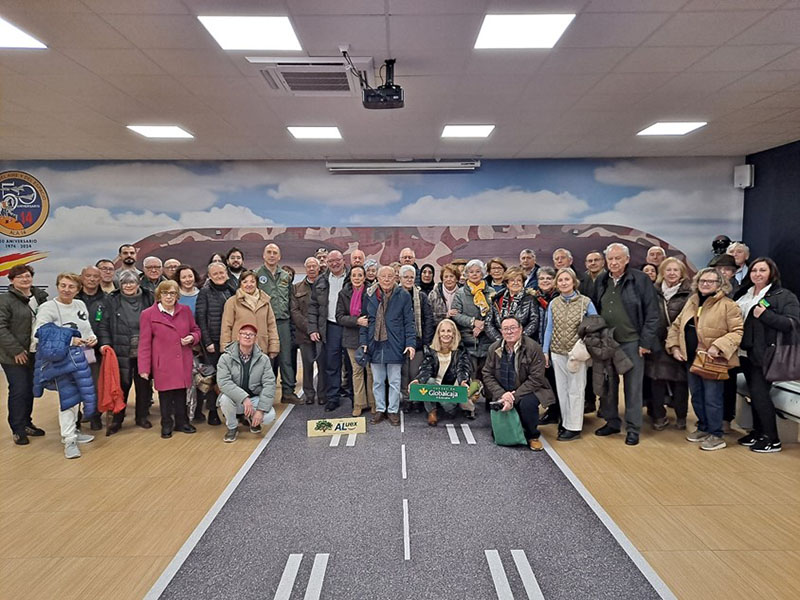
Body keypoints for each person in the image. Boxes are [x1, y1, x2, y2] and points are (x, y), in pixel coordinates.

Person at [667, 268, 743, 451]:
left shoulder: (728, 305)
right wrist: (674, 346)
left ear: (720, 284)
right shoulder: (691, 302)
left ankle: (716, 435)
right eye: (702, 281)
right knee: (697, 396)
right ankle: (703, 427)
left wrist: (718, 346)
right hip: (691, 358)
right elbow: (676, 326)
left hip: (713, 360)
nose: (705, 284)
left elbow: (737, 331)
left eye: (710, 281)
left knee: (712, 398)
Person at [591, 243, 659, 446]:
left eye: (618, 258)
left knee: (633, 387)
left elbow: (652, 314)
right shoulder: (602, 280)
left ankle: (633, 428)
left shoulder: (640, 279)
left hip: (632, 342)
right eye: (610, 259)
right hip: (607, 342)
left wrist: (645, 342)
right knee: (608, 385)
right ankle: (612, 422)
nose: (613, 262)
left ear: (627, 259)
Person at [735, 257, 800, 453]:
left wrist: (765, 315)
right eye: (754, 270)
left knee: (760, 394)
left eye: (762, 270)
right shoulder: (744, 293)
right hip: (744, 352)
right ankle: (759, 432)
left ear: (772, 273)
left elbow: (792, 323)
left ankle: (772, 439)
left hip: (766, 354)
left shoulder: (784, 295)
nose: (757, 274)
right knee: (753, 394)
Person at [33, 272, 98, 458]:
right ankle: (69, 440)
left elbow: (86, 327)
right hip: (62, 360)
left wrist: (92, 338)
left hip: (82, 357)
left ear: (78, 289)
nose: (66, 290)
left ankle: (74, 431)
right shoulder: (47, 308)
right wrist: (70, 341)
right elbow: (39, 334)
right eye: (63, 285)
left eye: (71, 287)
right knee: (68, 398)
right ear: (57, 286)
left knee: (77, 396)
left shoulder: (80, 304)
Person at [138, 280, 201, 439]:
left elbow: (196, 330)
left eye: (172, 293)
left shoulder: (185, 310)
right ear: (159, 295)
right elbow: (144, 343)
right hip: (163, 362)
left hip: (182, 360)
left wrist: (192, 337)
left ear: (177, 295)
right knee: (165, 395)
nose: (169, 296)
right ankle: (166, 424)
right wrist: (144, 368)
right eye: (165, 293)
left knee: (181, 393)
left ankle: (182, 422)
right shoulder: (148, 314)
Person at [483, 316, 555, 451]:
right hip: (503, 391)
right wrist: (502, 394)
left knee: (527, 404)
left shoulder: (533, 348)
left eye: (513, 328)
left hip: (529, 389)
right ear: (501, 332)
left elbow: (536, 378)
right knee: (498, 435)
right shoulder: (494, 348)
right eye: (505, 329)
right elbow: (487, 374)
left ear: (521, 329)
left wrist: (514, 396)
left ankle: (533, 436)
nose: (509, 332)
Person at [543, 268, 597, 441]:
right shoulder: (554, 303)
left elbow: (596, 325)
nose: (564, 283)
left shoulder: (585, 302)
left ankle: (574, 427)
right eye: (560, 280)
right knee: (562, 389)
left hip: (577, 353)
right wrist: (545, 351)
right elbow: (549, 328)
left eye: (567, 279)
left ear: (574, 282)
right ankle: (565, 422)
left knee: (576, 389)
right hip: (557, 351)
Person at [98, 271, 155, 433]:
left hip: (144, 350)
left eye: (132, 282)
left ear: (138, 283)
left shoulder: (149, 297)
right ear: (120, 285)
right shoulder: (111, 300)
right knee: (122, 385)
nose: (128, 286)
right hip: (120, 350)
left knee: (143, 386)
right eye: (124, 283)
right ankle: (117, 419)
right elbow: (103, 325)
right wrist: (105, 344)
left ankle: (141, 417)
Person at [361, 265, 415, 425]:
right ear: (377, 278)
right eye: (383, 276)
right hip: (375, 344)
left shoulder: (403, 295)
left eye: (390, 276)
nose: (386, 279)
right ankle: (380, 409)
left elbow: (409, 321)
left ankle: (392, 411)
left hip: (395, 344)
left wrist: (410, 343)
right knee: (377, 381)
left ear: (395, 278)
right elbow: (365, 321)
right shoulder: (369, 295)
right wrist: (363, 342)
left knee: (394, 381)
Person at [0, 265, 48, 445]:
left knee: (30, 389)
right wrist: (16, 350)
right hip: (13, 355)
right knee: (19, 390)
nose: (25, 279)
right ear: (12, 280)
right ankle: (17, 428)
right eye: (20, 277)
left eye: (27, 276)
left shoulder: (40, 297)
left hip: (35, 352)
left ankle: (27, 423)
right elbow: (1, 328)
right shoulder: (5, 300)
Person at [645, 257, 692, 430]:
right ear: (662, 272)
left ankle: (681, 417)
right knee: (656, 380)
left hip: (680, 343)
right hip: (656, 342)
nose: (672, 273)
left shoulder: (690, 294)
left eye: (676, 270)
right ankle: (659, 416)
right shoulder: (652, 291)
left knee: (680, 381)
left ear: (682, 273)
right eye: (668, 270)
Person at [256, 243, 300, 403]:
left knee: (286, 358)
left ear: (279, 256)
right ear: (263, 255)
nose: (272, 255)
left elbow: (290, 300)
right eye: (269, 252)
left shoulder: (285, 276)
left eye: (275, 252)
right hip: (264, 324)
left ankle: (288, 392)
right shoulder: (256, 275)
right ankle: (265, 395)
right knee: (265, 360)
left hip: (283, 322)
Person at [217, 324, 276, 442]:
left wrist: (260, 410)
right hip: (236, 400)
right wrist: (244, 398)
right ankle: (232, 427)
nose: (247, 336)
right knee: (224, 399)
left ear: (255, 339)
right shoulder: (225, 358)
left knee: (269, 416)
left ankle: (253, 420)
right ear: (238, 337)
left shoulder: (264, 359)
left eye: (251, 334)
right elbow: (224, 382)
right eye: (244, 333)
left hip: (254, 399)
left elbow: (269, 384)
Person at [308, 250, 350, 412]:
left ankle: (356, 397)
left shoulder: (352, 277)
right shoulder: (321, 280)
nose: (334, 263)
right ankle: (333, 397)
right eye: (330, 261)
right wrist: (313, 328)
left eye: (337, 260)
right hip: (331, 327)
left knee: (353, 363)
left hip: (350, 326)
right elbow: (313, 306)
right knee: (332, 364)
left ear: (343, 260)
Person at [452, 259, 495, 411]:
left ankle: (490, 402)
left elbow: (495, 314)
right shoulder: (460, 293)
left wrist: (483, 325)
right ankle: (468, 406)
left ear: (483, 274)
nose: (474, 274)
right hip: (468, 340)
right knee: (469, 375)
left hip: (488, 340)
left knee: (488, 374)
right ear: (466, 274)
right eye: (471, 272)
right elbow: (455, 314)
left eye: (478, 271)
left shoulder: (491, 292)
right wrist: (472, 322)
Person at [412, 318, 472, 426]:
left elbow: (463, 368)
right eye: (442, 331)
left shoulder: (461, 351)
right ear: (438, 334)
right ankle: (432, 411)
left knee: (449, 408)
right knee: (428, 381)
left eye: (449, 331)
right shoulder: (430, 350)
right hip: (435, 385)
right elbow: (426, 368)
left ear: (454, 334)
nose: (446, 334)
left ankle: (451, 407)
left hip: (450, 388)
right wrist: (418, 380)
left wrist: (463, 381)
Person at [195, 261, 234, 424]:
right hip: (213, 342)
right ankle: (212, 411)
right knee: (213, 377)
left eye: (221, 273)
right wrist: (207, 341)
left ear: (227, 273)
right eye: (215, 274)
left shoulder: (232, 290)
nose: (219, 276)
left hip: (231, 341)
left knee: (231, 377)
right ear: (209, 276)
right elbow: (200, 318)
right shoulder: (204, 292)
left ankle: (232, 410)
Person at [221, 270, 280, 372]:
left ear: (257, 283)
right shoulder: (232, 302)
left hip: (262, 347)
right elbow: (226, 326)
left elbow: (271, 325)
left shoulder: (265, 301)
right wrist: (225, 348)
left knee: (261, 376)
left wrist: (274, 346)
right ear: (240, 284)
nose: (249, 284)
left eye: (252, 281)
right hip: (238, 348)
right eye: (245, 282)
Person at [336, 266, 375, 416]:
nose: (357, 278)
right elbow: (339, 317)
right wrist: (356, 321)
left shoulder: (372, 292)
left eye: (360, 275)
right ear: (350, 277)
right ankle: (359, 404)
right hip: (351, 337)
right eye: (354, 275)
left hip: (370, 337)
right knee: (357, 371)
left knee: (370, 371)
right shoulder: (343, 293)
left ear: (364, 277)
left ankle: (373, 402)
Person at [398, 264, 435, 413]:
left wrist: (426, 341)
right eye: (406, 277)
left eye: (411, 277)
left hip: (418, 342)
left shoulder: (421, 296)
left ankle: (416, 399)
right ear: (400, 278)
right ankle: (406, 400)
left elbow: (428, 319)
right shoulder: (394, 295)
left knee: (415, 372)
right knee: (403, 373)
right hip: (399, 342)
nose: (409, 280)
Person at [292, 257, 326, 406]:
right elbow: (295, 311)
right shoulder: (296, 288)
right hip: (304, 334)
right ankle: (309, 394)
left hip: (323, 333)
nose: (311, 269)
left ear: (318, 268)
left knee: (323, 365)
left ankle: (322, 394)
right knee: (307, 366)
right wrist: (310, 329)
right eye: (309, 266)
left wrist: (319, 328)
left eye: (314, 266)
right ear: (305, 269)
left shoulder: (325, 285)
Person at [78, 265, 107, 430]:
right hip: (74, 349)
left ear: (100, 279)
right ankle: (76, 416)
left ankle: (95, 415)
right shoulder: (73, 298)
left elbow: (108, 324)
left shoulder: (107, 300)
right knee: (75, 384)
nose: (92, 279)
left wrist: (101, 342)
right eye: (88, 276)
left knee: (95, 385)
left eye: (96, 276)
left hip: (96, 350)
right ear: (82, 278)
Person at [532, 266, 560, 425]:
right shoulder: (534, 298)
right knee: (546, 380)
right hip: (539, 345)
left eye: (548, 278)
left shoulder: (558, 297)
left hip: (556, 345)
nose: (545, 281)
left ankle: (559, 412)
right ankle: (553, 410)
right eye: (542, 278)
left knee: (557, 381)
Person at [485, 267, 539, 344]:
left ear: (523, 283)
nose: (515, 283)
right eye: (512, 280)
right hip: (500, 343)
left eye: (519, 280)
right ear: (507, 283)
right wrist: (500, 340)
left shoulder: (530, 299)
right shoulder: (496, 299)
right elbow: (488, 323)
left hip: (523, 343)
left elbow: (534, 322)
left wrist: (518, 338)